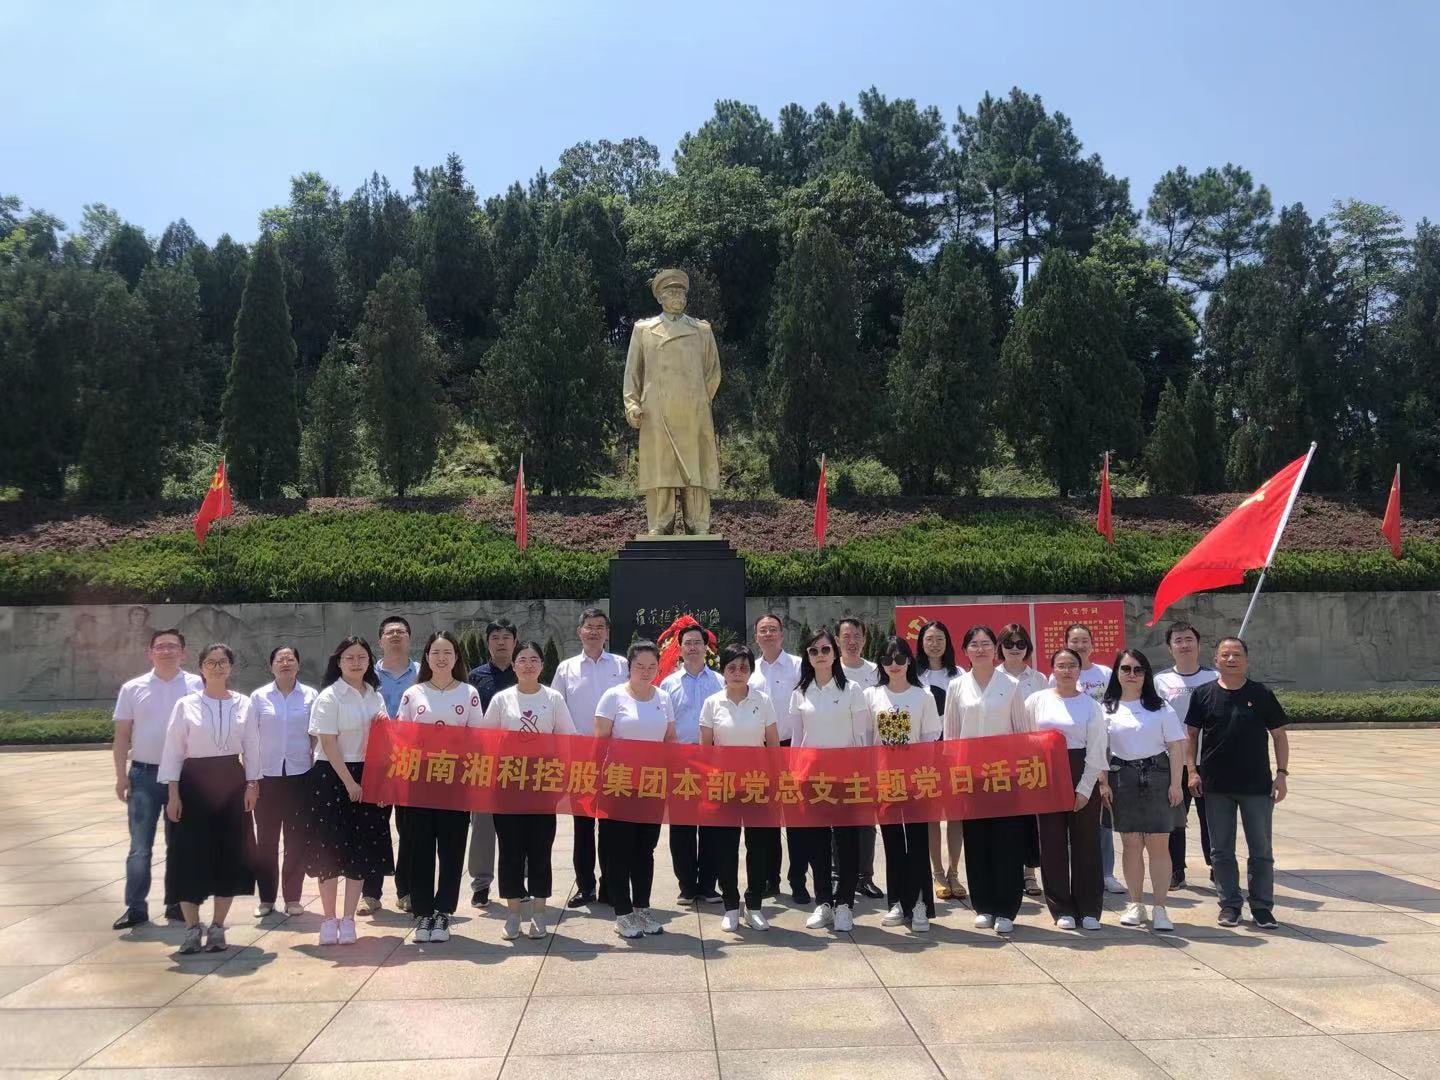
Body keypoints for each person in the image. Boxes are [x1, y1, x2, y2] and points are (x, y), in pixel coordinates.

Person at [160, 643, 260, 954]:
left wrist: (252, 785)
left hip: (231, 781)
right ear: (201, 668)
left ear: (231, 667)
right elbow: (173, 751)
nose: (217, 667)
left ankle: (218, 926)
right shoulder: (186, 704)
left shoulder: (244, 704)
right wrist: (173, 794)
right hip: (193, 783)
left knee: (229, 853)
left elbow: (252, 746)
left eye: (223, 662)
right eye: (211, 662)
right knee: (188, 854)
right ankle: (192, 928)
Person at [1185, 636, 1290, 930]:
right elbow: (1191, 736)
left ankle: (1262, 907)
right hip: (1216, 785)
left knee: (1261, 850)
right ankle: (1230, 905)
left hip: (1257, 785)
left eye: (1237, 654)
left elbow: (1279, 735)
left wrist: (1282, 774)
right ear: (1216, 660)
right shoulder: (1203, 694)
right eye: (1225, 655)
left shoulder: (1261, 693)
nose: (1231, 659)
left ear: (1246, 660)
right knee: (1220, 850)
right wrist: (1192, 771)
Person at [482, 640, 577, 940]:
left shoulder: (553, 698)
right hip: (508, 782)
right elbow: (485, 740)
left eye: (534, 659)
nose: (528, 665)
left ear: (542, 665)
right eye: (522, 659)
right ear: (513, 665)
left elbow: (568, 740)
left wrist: (564, 778)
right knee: (510, 850)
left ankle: (538, 913)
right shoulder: (502, 699)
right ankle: (513, 914)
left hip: (542, 782)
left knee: (540, 850)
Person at [110, 629, 203, 930]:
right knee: (140, 847)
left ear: (183, 653)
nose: (167, 651)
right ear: (150, 653)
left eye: (173, 646)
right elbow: (122, 736)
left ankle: (177, 904)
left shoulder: (196, 685)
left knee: (180, 845)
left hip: (184, 776)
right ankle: (136, 907)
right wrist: (121, 776)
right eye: (160, 646)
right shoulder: (133, 688)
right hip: (144, 776)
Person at [304, 636, 394, 946]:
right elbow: (328, 743)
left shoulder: (374, 696)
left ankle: (348, 919)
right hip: (332, 775)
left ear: (369, 661)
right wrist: (349, 783)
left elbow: (384, 741)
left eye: (362, 657)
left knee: (360, 849)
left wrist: (378, 782)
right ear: (338, 662)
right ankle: (329, 919)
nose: (356, 662)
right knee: (329, 848)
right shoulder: (330, 697)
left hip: (367, 773)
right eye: (349, 657)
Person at [944, 625, 1032, 935]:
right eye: (974, 644)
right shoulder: (957, 686)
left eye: (986, 644)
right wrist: (954, 775)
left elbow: (1021, 733)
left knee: (1007, 843)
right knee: (977, 841)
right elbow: (951, 736)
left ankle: (1006, 909)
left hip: (1004, 776)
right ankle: (983, 906)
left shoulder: (1011, 685)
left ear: (995, 649)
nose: (980, 649)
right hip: (971, 777)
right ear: (965, 650)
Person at [396, 631, 482, 945]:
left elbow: (478, 739)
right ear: (427, 657)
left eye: (447, 652)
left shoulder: (469, 693)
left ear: (456, 657)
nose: (441, 658)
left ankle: (443, 911)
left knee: (451, 848)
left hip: (455, 781)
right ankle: (422, 912)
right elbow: (400, 738)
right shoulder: (413, 694)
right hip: (419, 781)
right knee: (419, 847)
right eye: (435, 652)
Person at [623, 268, 722, 535]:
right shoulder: (644, 330)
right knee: (661, 470)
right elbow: (633, 373)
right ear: (660, 298)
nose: (677, 297)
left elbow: (713, 372)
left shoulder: (701, 330)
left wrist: (699, 399)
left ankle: (698, 523)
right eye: (671, 292)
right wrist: (632, 404)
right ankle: (660, 522)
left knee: (695, 470)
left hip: (693, 413)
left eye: (681, 292)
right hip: (656, 412)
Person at [790, 629, 875, 933]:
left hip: (846, 777)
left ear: (834, 652)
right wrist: (794, 775)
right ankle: (824, 902)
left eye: (825, 649)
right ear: (808, 657)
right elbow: (797, 740)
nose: (820, 656)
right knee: (818, 844)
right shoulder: (800, 692)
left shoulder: (852, 689)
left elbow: (862, 736)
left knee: (847, 842)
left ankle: (845, 905)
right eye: (814, 651)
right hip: (813, 779)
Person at [595, 641, 678, 939]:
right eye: (640, 666)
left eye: (652, 666)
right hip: (618, 785)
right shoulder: (613, 696)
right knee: (619, 850)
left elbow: (670, 738)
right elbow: (599, 743)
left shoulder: (663, 698)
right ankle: (623, 913)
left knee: (645, 850)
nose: (646, 672)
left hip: (651, 785)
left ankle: (642, 907)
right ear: (629, 667)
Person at [1103, 648, 1186, 932]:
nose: (1132, 675)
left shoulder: (1160, 707)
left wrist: (1176, 784)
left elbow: (1176, 745)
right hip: (1122, 778)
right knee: (1131, 844)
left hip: (1158, 776)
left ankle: (1160, 907)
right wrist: (1103, 783)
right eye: (1126, 669)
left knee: (1158, 844)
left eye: (1138, 670)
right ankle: (1136, 903)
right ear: (1117, 673)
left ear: (1146, 674)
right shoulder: (1106, 708)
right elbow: (1101, 750)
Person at [699, 643, 780, 932]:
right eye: (731, 667)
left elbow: (773, 744)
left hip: (757, 785)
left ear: (751, 671)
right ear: (723, 670)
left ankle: (754, 905)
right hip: (724, 786)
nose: (737, 673)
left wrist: (775, 781)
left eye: (743, 668)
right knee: (725, 847)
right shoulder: (712, 703)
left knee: (758, 847)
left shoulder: (763, 701)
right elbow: (705, 749)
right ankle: (731, 905)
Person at [552, 607, 629, 907]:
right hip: (581, 758)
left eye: (600, 626)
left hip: (616, 758)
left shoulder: (622, 665)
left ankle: (610, 885)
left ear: (607, 632)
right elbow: (557, 709)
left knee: (611, 826)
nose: (594, 631)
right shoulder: (566, 668)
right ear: (579, 631)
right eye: (589, 626)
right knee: (583, 826)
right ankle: (586, 886)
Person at [1027, 648, 1108, 930]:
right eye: (1061, 665)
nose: (1066, 670)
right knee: (1052, 843)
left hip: (1080, 770)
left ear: (1079, 670)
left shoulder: (1090, 706)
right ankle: (1061, 907)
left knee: (1087, 843)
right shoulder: (1036, 701)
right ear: (1052, 669)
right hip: (1046, 773)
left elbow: (1097, 750)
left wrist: (1085, 788)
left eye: (1072, 665)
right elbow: (1024, 739)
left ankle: (1089, 909)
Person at [867, 638, 943, 934]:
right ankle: (897, 902)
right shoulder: (871, 695)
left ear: (909, 661)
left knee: (917, 843)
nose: (894, 665)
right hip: (885, 780)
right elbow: (866, 740)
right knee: (893, 843)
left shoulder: (923, 696)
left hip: (916, 781)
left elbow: (930, 740)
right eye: (887, 660)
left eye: (900, 659)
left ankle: (920, 903)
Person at [1049, 624, 1124, 895]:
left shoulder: (1106, 674)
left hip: (1105, 748)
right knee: (1071, 819)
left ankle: (1107, 873)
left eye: (1084, 641)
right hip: (1071, 753)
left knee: (1101, 815)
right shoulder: (1055, 677)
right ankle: (1072, 874)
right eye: (1074, 641)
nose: (1079, 646)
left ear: (1092, 645)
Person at [249, 644, 317, 918]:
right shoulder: (258, 697)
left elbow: (315, 736)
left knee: (296, 839)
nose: (285, 663)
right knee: (266, 840)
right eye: (280, 659)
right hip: (267, 777)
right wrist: (251, 780)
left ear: (298, 665)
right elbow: (250, 739)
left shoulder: (310, 696)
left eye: (290, 659)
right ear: (271, 666)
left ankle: (293, 898)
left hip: (300, 777)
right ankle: (266, 899)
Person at [660, 624, 724, 904]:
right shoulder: (668, 684)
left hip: (713, 762)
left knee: (712, 825)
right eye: (688, 643)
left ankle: (708, 885)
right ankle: (686, 885)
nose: (693, 647)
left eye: (698, 642)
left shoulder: (720, 681)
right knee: (682, 827)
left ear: (706, 647)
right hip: (681, 762)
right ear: (680, 648)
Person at [1154, 621, 1219, 889]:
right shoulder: (1160, 681)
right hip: (1173, 761)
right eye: (1178, 640)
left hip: (1208, 760)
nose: (1184, 645)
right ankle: (1176, 870)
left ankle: (1216, 867)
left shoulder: (1214, 677)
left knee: (1211, 818)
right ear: (1170, 648)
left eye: (1189, 639)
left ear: (1198, 644)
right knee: (1174, 818)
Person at [748, 612, 806, 903]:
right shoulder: (750, 671)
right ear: (756, 637)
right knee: (766, 820)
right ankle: (770, 879)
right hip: (760, 751)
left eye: (773, 629)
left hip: (792, 748)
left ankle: (798, 881)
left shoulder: (798, 666)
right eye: (763, 630)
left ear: (782, 635)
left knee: (796, 819)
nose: (768, 634)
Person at [364, 614, 418, 916]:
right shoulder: (366, 674)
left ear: (409, 638)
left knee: (409, 829)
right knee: (374, 825)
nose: (395, 635)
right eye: (390, 632)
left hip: (412, 761)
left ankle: (406, 890)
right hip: (376, 761)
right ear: (380, 640)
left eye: (401, 631)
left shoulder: (423, 673)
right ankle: (370, 893)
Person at [466, 618, 518, 907]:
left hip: (518, 764)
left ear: (515, 642)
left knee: (520, 825)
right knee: (482, 826)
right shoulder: (475, 678)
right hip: (484, 762)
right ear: (488, 643)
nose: (501, 642)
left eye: (506, 637)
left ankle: (519, 879)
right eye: (495, 637)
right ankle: (481, 884)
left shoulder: (525, 674)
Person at [916, 620, 965, 902]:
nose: (934, 644)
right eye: (929, 639)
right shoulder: (914, 674)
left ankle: (954, 872)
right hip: (925, 755)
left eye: (939, 639)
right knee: (931, 815)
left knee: (956, 814)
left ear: (948, 642)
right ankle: (937, 873)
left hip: (954, 753)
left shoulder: (958, 675)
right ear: (921, 643)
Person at [837, 617, 884, 900]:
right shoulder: (830, 670)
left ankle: (864, 876)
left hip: (869, 755)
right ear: (837, 640)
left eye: (856, 636)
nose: (851, 641)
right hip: (838, 755)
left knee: (866, 819)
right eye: (846, 636)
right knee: (837, 817)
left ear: (864, 639)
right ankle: (838, 875)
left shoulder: (877, 671)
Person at [998, 623, 1046, 898]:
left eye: (1020, 644)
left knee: (1030, 818)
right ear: (1000, 647)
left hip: (1031, 758)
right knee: (1007, 818)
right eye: (1009, 644)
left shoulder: (1038, 679)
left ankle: (1030, 873)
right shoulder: (992, 677)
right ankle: (1010, 870)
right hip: (1000, 759)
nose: (1014, 649)